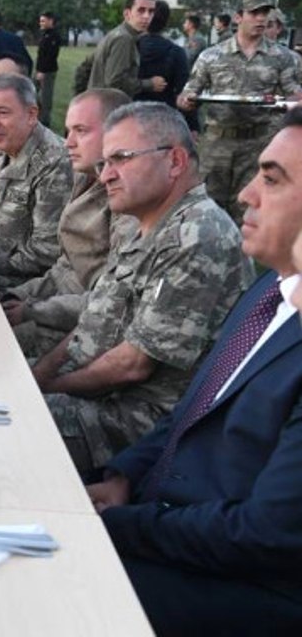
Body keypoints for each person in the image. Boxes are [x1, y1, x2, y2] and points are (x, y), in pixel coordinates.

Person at [86, 108, 302, 635]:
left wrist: (120, 525)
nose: (246, 194)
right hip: (172, 522)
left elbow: (266, 534)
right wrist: (125, 475)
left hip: (242, 588)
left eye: (272, 179)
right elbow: (194, 410)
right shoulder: (271, 290)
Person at [33, 102, 252, 474]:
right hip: (90, 392)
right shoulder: (147, 224)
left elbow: (133, 366)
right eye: (104, 163)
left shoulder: (196, 236)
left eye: (121, 159)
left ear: (176, 161)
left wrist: (46, 389)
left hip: (133, 422)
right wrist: (37, 376)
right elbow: (92, 321)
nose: (105, 177)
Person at [3, 89, 135, 358]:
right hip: (56, 308)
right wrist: (13, 296)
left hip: (83, 332)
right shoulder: (84, 179)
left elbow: (107, 304)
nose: (68, 143)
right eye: (68, 131)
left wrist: (30, 310)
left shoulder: (127, 202)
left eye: (81, 131)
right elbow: (64, 268)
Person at [177, 0, 302, 223]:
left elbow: (293, 94)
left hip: (258, 145)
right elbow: (189, 92)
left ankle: (243, 259)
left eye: (265, 13)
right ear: (238, 17)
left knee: (249, 213)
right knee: (205, 212)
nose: (261, 18)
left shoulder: (284, 57)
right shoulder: (211, 56)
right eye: (254, 13)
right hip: (216, 146)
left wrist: (295, 101)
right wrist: (187, 100)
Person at [0, 74, 72, 288]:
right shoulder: (4, 143)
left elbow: (46, 252)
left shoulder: (54, 163)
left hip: (24, 284)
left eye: (2, 113)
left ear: (31, 115)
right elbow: (0, 219)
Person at [89, 0, 165, 97]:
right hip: (107, 106)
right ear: (127, 14)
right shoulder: (124, 39)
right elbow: (115, 82)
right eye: (141, 10)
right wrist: (149, 84)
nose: (146, 16)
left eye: (151, 11)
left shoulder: (120, 34)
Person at [135, 0, 191, 127]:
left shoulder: (130, 48)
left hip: (131, 114)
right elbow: (184, 92)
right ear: (166, 22)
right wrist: (192, 125)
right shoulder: (177, 52)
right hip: (164, 117)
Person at [35, 12, 62, 128]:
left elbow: (50, 56)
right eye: (40, 21)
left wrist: (42, 71)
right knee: (32, 93)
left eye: (43, 21)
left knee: (46, 98)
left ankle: (45, 123)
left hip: (47, 71)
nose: (41, 23)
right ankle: (36, 117)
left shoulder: (54, 36)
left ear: (51, 21)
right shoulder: (44, 34)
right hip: (39, 70)